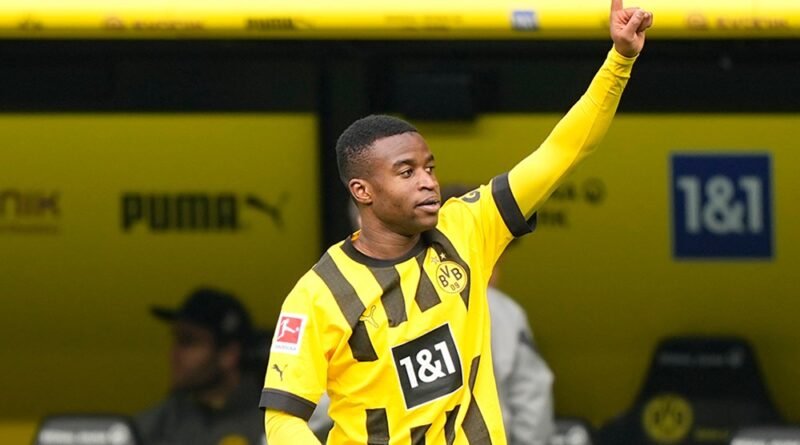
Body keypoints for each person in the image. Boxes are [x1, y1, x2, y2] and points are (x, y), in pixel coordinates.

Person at [261, 1, 652, 443]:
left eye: (430, 167)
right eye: (406, 172)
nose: (428, 182)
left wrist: (620, 62)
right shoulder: (319, 294)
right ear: (362, 191)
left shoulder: (466, 228)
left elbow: (560, 154)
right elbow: (283, 418)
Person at [441, 184, 556, 445]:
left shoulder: (391, 304)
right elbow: (532, 399)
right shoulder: (502, 310)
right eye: (495, 256)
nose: (497, 271)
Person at [136, 287, 265, 445]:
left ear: (229, 354)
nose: (174, 354)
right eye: (176, 340)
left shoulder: (272, 422)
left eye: (188, 341)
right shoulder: (157, 424)